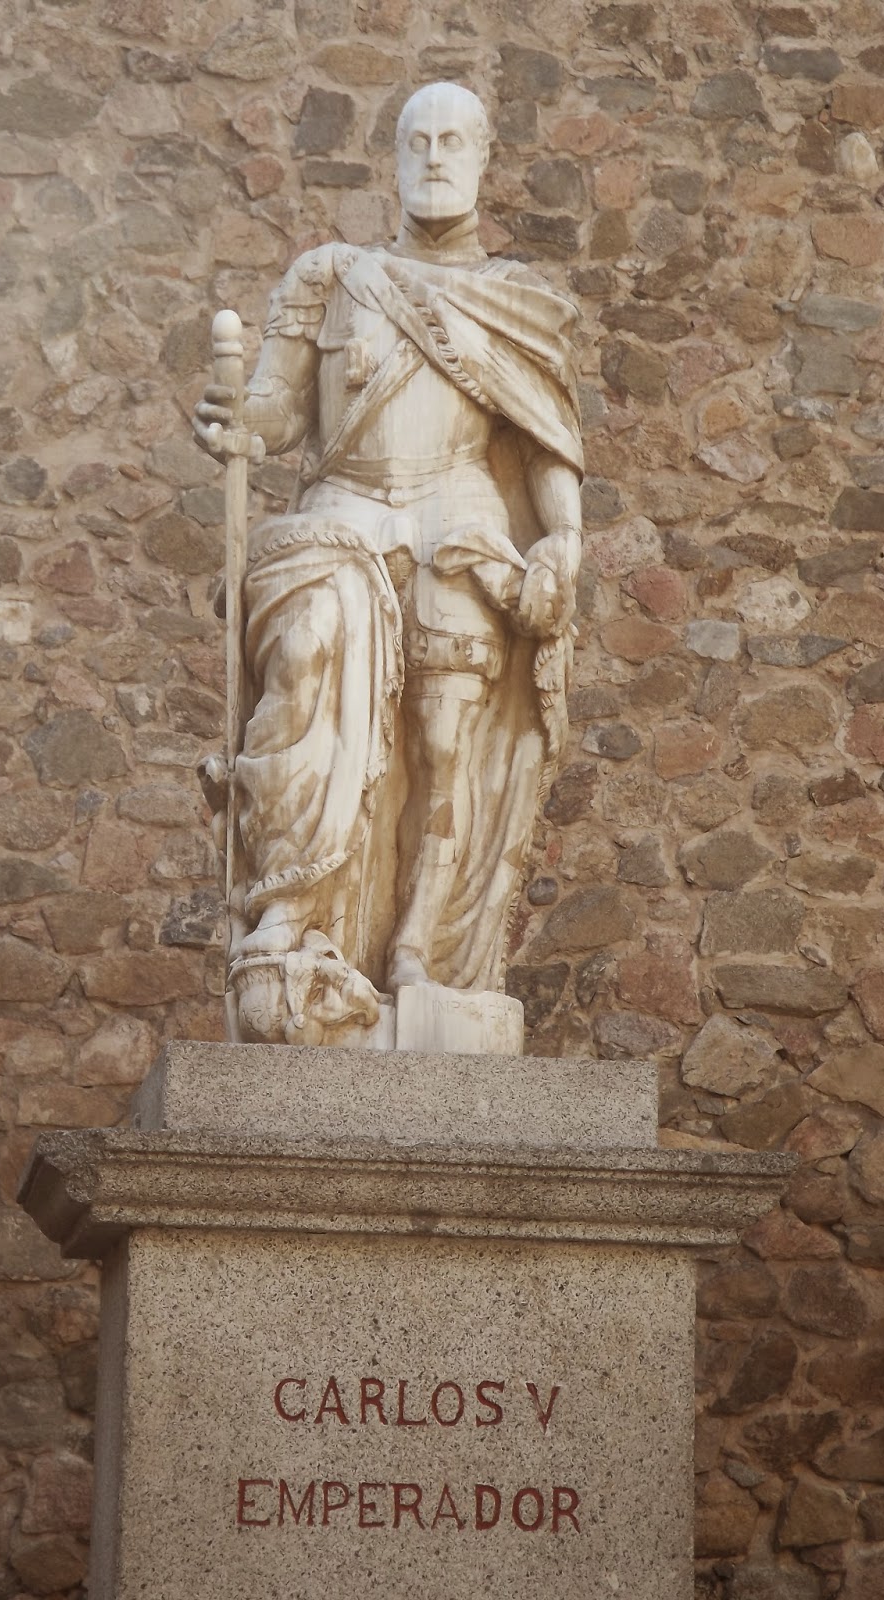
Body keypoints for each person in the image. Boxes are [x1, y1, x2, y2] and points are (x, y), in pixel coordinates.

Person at [194, 81, 582, 1047]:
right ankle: (290, 913)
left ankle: (417, 952)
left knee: (446, 746)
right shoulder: (330, 276)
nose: (436, 156)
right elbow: (279, 413)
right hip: (346, 506)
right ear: (396, 157)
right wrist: (239, 421)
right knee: (309, 651)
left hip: (460, 514)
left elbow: (544, 439)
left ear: (483, 159)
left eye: (454, 141)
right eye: (419, 140)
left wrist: (563, 539)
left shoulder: (518, 301)